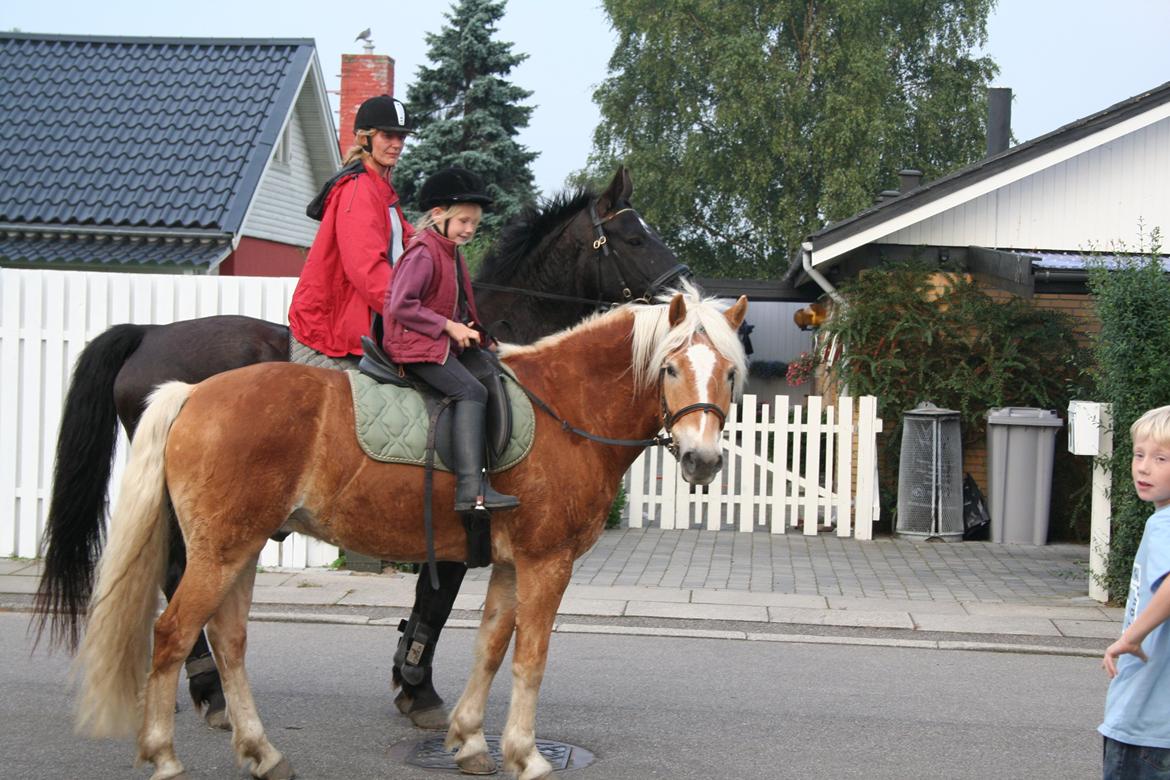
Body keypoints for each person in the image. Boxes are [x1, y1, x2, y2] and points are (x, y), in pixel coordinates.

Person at [382, 166, 519, 515]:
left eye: (474, 223)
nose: (470, 229)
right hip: (414, 346)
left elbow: (458, 308)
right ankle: (470, 490)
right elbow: (401, 305)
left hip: (436, 341)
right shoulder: (424, 253)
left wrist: (483, 338)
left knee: (491, 372)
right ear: (438, 215)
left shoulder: (449, 252)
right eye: (463, 221)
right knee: (470, 391)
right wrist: (447, 326)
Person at [288, 94, 414, 366]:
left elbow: (409, 247)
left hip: (371, 317)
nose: (396, 145)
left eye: (401, 137)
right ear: (364, 138)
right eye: (388, 136)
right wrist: (413, 313)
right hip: (337, 327)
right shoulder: (359, 191)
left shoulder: (382, 190)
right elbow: (368, 271)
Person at [1100, 404, 1170, 779]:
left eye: (1161, 458)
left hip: (1145, 724)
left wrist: (1131, 636)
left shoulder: (1165, 525)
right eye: (1139, 454)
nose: (1144, 467)